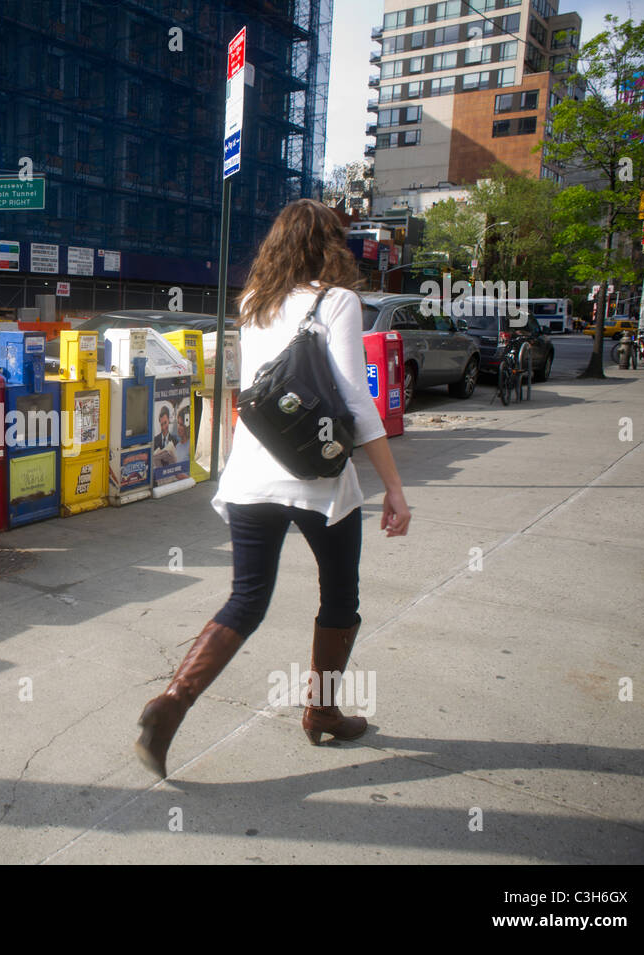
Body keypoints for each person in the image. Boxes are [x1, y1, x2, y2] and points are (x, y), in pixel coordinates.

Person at [135, 198, 411, 779]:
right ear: (328, 244)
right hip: (318, 480)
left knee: (246, 597)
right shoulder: (337, 301)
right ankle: (323, 712)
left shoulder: (252, 304)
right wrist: (393, 486)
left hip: (251, 473)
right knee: (340, 597)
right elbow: (354, 398)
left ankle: (171, 704)